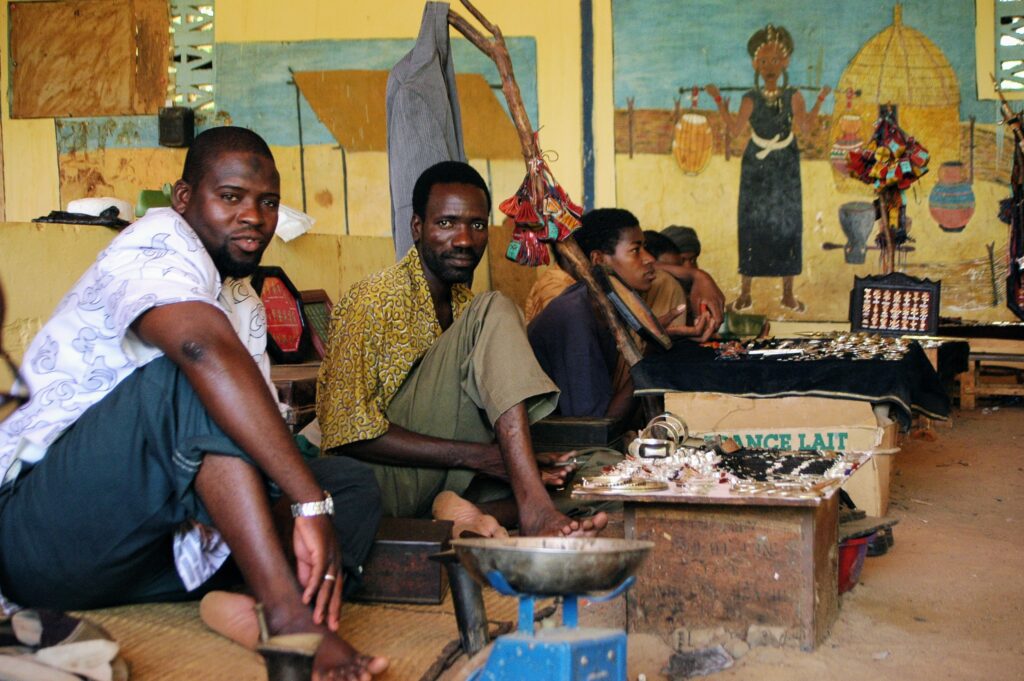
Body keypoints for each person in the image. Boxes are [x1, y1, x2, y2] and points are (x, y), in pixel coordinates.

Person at [0, 127, 388, 680]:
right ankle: (286, 618)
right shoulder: (157, 241)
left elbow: (242, 444)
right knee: (189, 382)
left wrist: (313, 491)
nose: (254, 216)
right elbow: (199, 352)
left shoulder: (242, 300)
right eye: (230, 197)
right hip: (36, 530)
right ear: (184, 199)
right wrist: (305, 501)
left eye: (268, 202)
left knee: (349, 484)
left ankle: (229, 598)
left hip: (143, 552)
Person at [316, 160, 607, 538]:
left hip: (439, 479)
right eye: (446, 223)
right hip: (376, 486)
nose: (465, 239)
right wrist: (484, 458)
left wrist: (516, 460)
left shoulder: (462, 304)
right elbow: (346, 433)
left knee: (596, 475)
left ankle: (457, 515)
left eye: (477, 225)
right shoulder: (374, 300)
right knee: (496, 306)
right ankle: (532, 510)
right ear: (417, 228)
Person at [528, 209, 715, 420]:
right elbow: (597, 427)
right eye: (636, 250)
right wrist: (649, 352)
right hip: (556, 445)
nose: (649, 259)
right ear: (599, 260)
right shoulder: (574, 315)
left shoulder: (605, 305)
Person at [706, 24, 830, 313]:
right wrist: (717, 103)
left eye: (775, 60)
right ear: (755, 64)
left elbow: (806, 127)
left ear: (785, 62)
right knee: (751, 223)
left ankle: (788, 294)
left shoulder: (794, 96)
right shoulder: (750, 98)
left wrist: (821, 100)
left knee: (788, 224)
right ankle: (745, 293)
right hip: (756, 166)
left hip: (786, 162)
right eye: (763, 61)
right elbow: (736, 130)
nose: (769, 66)